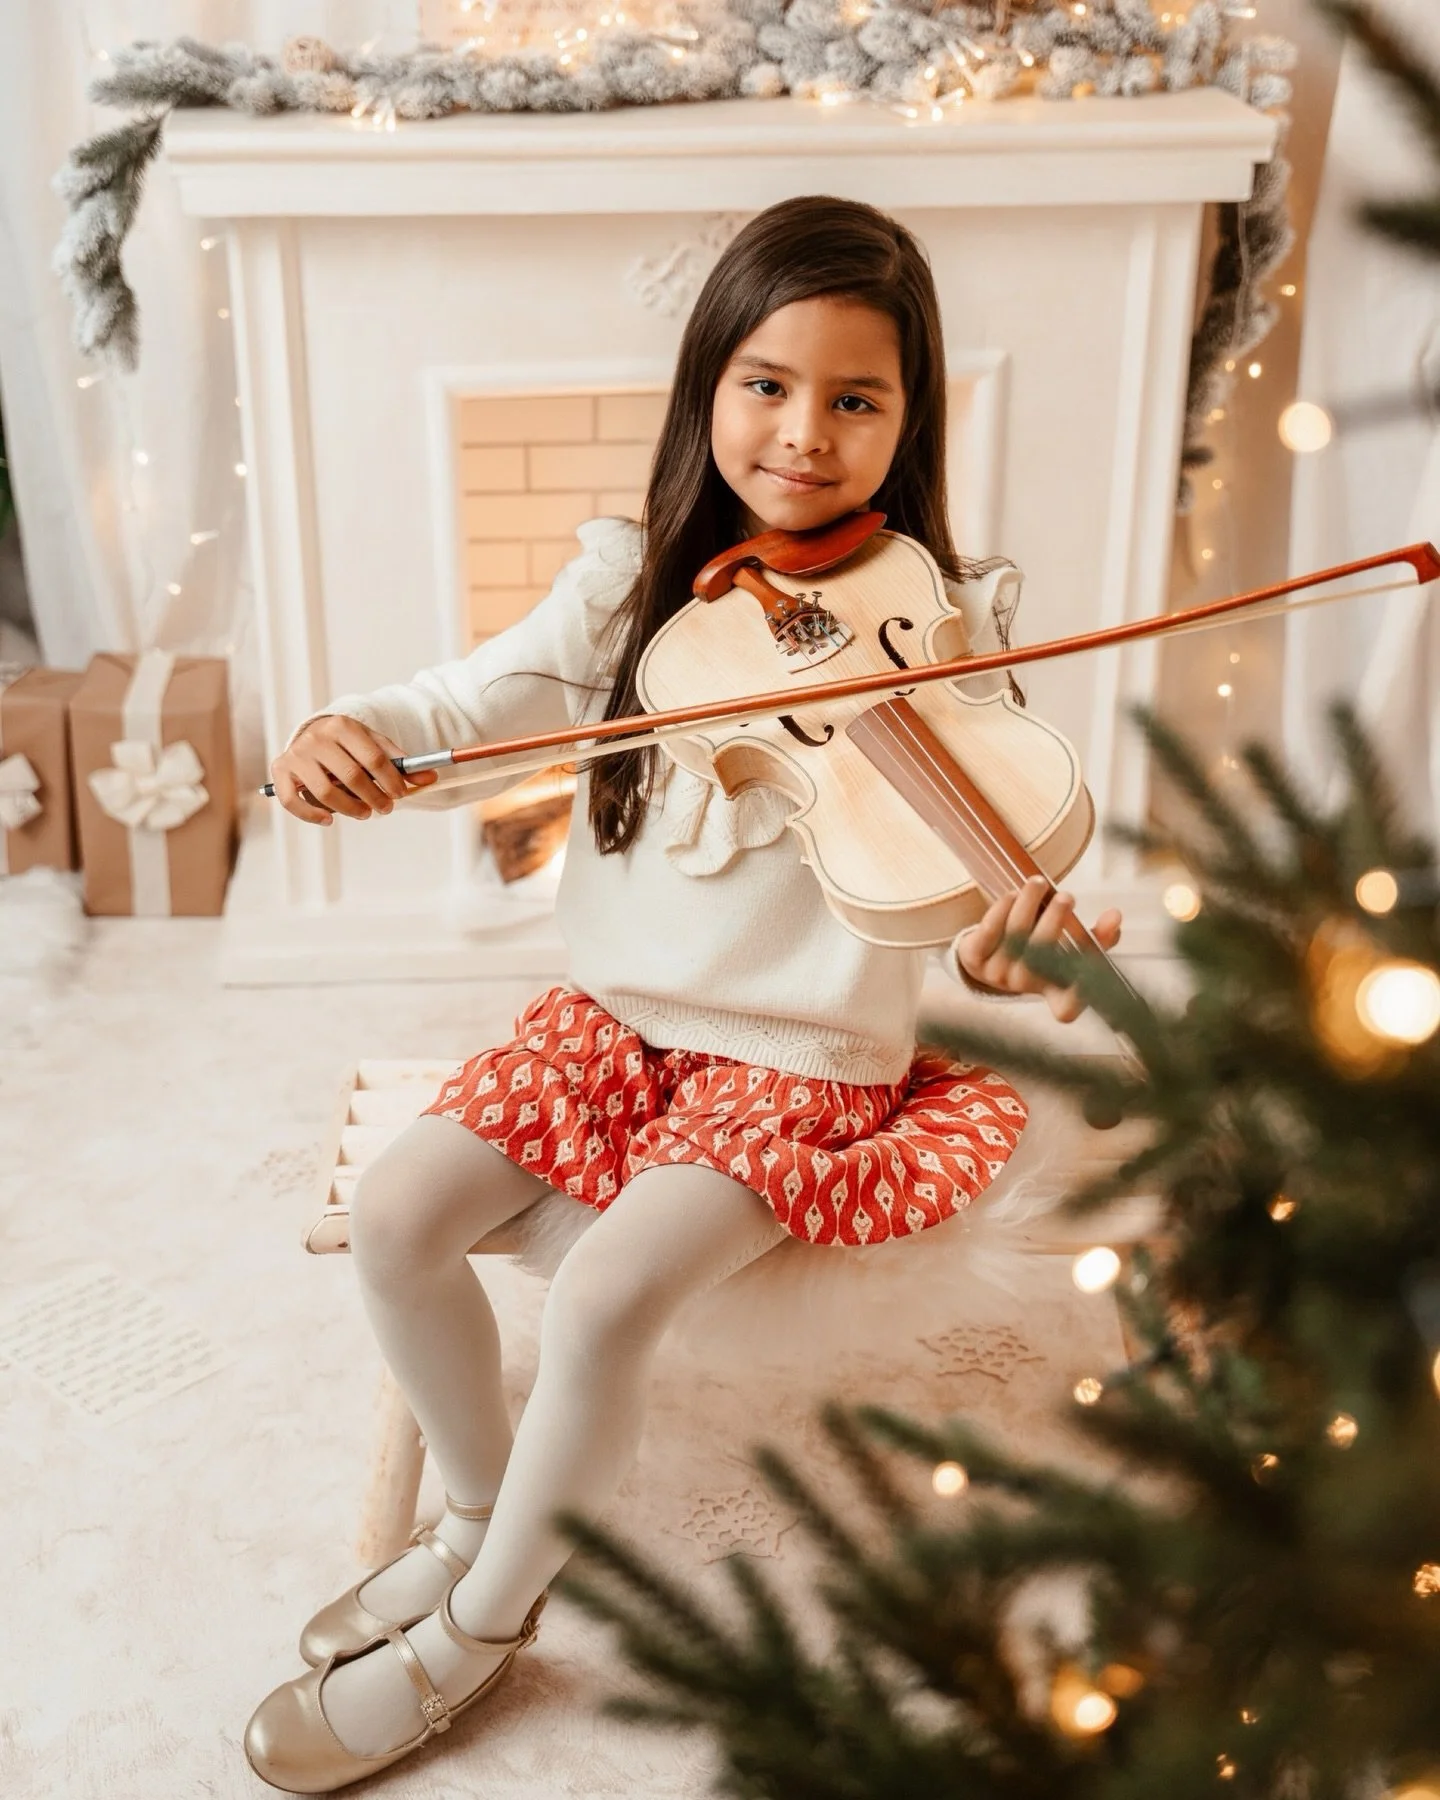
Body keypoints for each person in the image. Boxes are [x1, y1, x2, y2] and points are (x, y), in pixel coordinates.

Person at [245, 194, 1123, 1794]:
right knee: (397, 1220)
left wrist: (1010, 934)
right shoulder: (631, 587)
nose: (803, 434)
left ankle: (484, 1629)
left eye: (858, 399)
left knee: (603, 1297)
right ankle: (472, 1510)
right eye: (767, 385)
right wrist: (346, 732)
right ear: (708, 386)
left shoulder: (939, 628)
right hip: (618, 1023)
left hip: (800, 1059)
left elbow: (985, 856)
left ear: (911, 420)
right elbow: (463, 708)